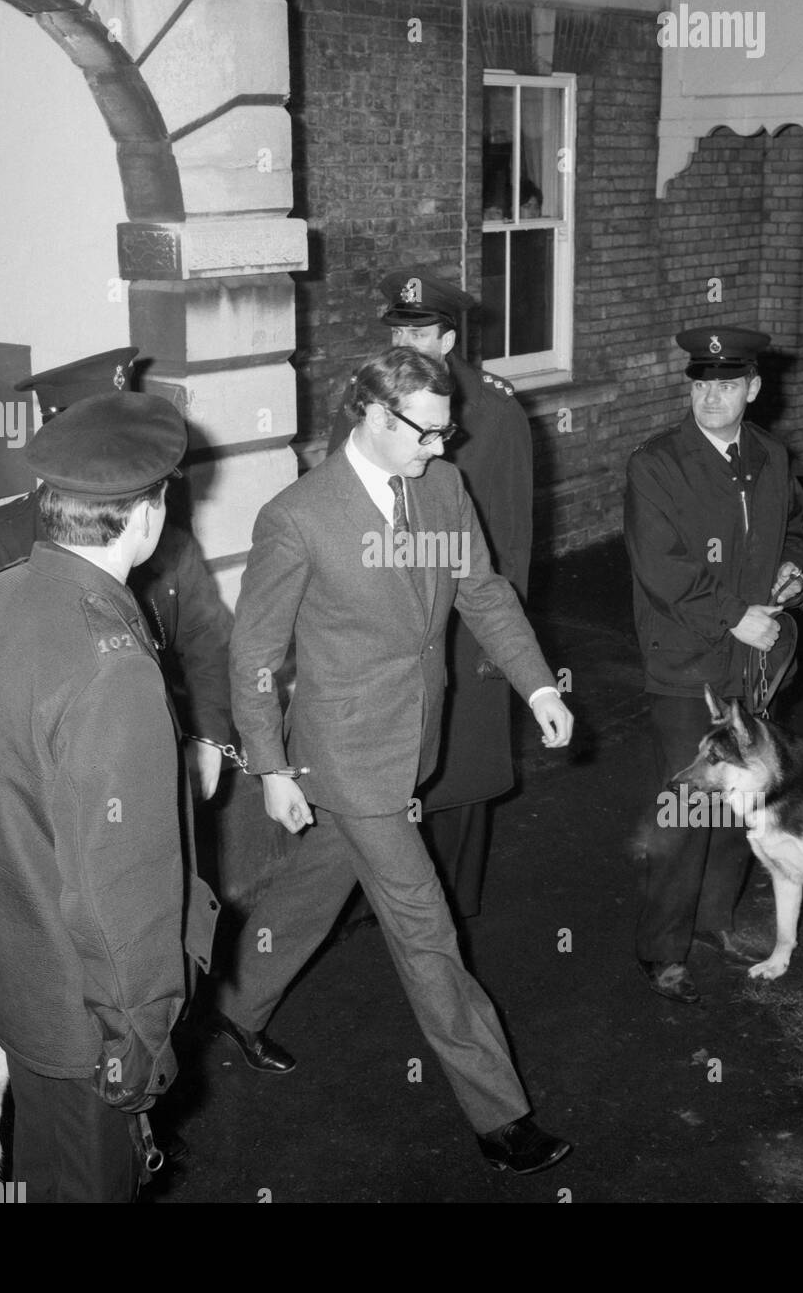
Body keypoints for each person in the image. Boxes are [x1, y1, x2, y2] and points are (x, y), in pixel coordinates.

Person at [215, 345, 574, 1176]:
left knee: (318, 881)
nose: (439, 448)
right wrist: (270, 766)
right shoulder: (297, 517)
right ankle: (501, 1115)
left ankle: (234, 1001)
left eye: (445, 434)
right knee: (426, 929)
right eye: (426, 433)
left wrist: (538, 687)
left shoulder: (442, 488)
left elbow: (482, 592)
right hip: (343, 753)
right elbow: (253, 656)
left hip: (415, 734)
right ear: (375, 417)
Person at [0, 393, 219, 1202]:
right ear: (147, 516)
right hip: (88, 1016)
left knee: (38, 1172)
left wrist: (0, 898)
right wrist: (138, 1038)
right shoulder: (111, 662)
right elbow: (121, 894)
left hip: (12, 977)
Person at [327, 267, 534, 920]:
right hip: (379, 614)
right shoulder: (363, 402)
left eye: (422, 331)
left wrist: (501, 643)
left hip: (461, 613)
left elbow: (511, 532)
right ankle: (380, 893)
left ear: (448, 337)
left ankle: (452, 902)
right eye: (399, 330)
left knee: (461, 761)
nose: (409, 342)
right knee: (382, 754)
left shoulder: (493, 410)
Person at [624, 326, 803, 1005]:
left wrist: (795, 568)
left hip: (753, 669)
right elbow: (661, 568)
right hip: (687, 665)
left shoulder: (769, 454)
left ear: (752, 390)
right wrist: (734, 612)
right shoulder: (657, 463)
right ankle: (660, 950)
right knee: (685, 809)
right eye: (700, 383)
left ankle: (714, 923)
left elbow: (795, 524)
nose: (711, 396)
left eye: (726, 384)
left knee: (743, 802)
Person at [0, 347, 233, 802]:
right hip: (55, 775)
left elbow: (208, 641)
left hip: (158, 743)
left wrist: (207, 736)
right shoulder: (3, 537)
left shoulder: (166, 535)